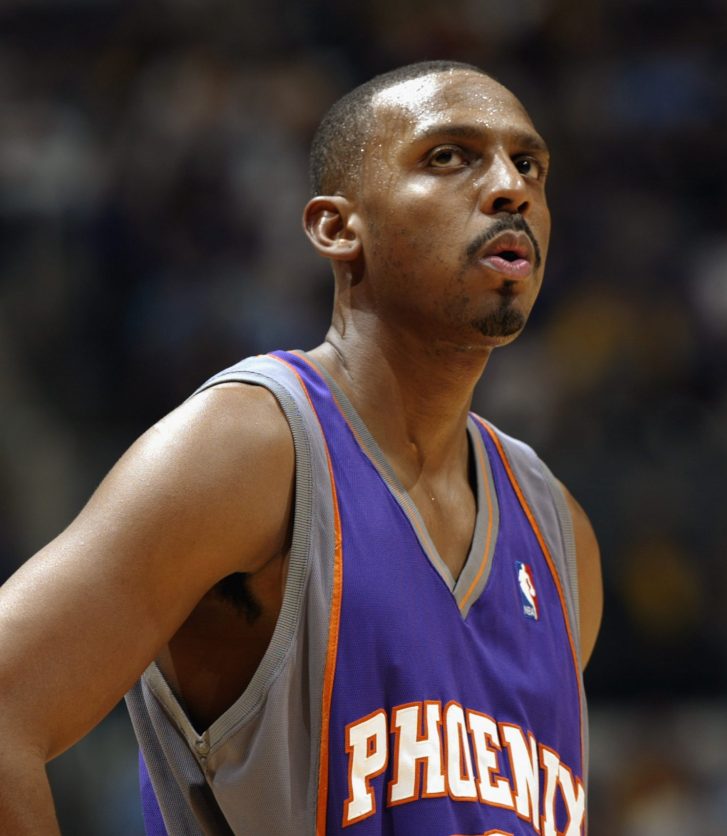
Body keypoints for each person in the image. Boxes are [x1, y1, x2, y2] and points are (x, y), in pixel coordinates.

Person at [0, 59, 602, 835]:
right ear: (336, 227)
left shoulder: (560, 533)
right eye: (449, 157)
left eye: (529, 165)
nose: (510, 187)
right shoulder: (248, 451)